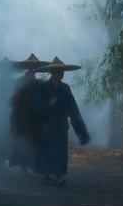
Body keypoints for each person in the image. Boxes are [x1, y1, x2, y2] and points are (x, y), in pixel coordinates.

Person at [33, 57, 90, 186]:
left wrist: (82, 134)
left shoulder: (65, 88)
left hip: (61, 125)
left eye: (62, 72)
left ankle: (58, 175)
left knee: (60, 151)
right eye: (58, 72)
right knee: (46, 150)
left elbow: (73, 110)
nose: (61, 74)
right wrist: (48, 104)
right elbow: (36, 106)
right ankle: (46, 174)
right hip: (46, 126)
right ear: (52, 73)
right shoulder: (42, 87)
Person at [9, 54, 49, 175]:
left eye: (35, 66)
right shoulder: (20, 81)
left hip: (36, 116)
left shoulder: (39, 83)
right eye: (31, 66)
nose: (33, 68)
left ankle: (32, 165)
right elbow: (15, 99)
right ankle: (23, 167)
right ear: (27, 67)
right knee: (24, 141)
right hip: (23, 116)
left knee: (34, 141)